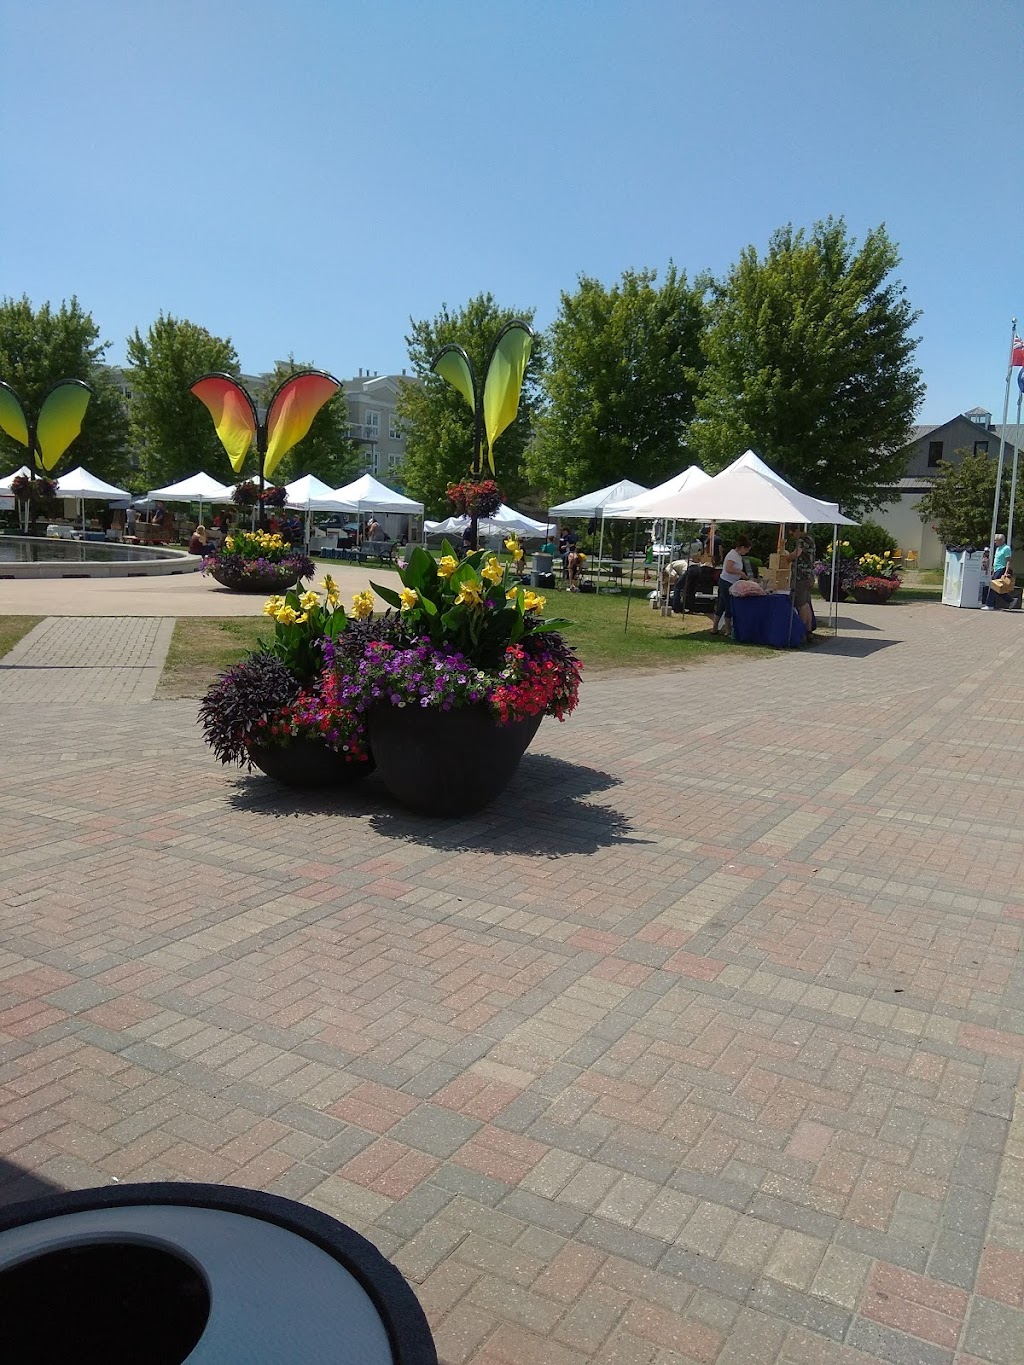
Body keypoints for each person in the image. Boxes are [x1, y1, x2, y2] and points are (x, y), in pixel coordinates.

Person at [712, 537, 751, 637]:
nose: (747, 552)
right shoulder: (733, 555)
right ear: (742, 547)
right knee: (728, 605)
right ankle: (728, 630)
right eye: (747, 549)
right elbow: (729, 568)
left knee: (721, 605)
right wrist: (740, 573)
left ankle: (715, 628)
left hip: (729, 582)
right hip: (726, 582)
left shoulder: (737, 555)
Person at [782, 525, 816, 632]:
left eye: (792, 533)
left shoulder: (801, 541)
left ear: (797, 530)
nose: (792, 536)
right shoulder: (810, 539)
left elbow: (796, 553)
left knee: (800, 604)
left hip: (800, 577)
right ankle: (808, 630)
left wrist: (787, 558)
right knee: (806, 603)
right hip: (809, 576)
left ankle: (800, 631)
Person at [983, 533, 1014, 609]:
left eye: (996, 540)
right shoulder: (998, 549)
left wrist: (1006, 572)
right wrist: (993, 569)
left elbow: (1008, 561)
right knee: (998, 588)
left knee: (994, 587)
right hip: (997, 569)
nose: (995, 542)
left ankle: (990, 605)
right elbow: (996, 560)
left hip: (1002, 569)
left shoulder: (1006, 548)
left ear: (1001, 540)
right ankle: (1010, 600)